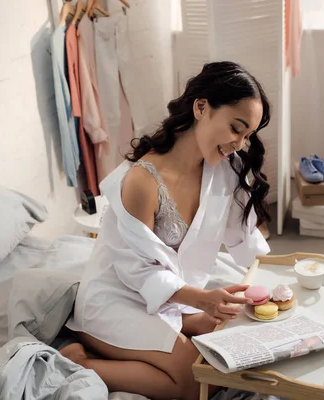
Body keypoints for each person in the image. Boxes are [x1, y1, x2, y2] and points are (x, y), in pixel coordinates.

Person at [62, 61, 272, 400]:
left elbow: (246, 240)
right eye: (236, 128)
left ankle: (169, 332)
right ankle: (82, 363)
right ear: (201, 107)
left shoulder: (225, 168)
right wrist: (201, 299)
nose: (239, 143)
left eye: (247, 136)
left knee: (235, 348)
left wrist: (282, 283)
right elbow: (136, 271)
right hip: (117, 298)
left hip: (172, 297)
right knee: (196, 382)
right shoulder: (142, 181)